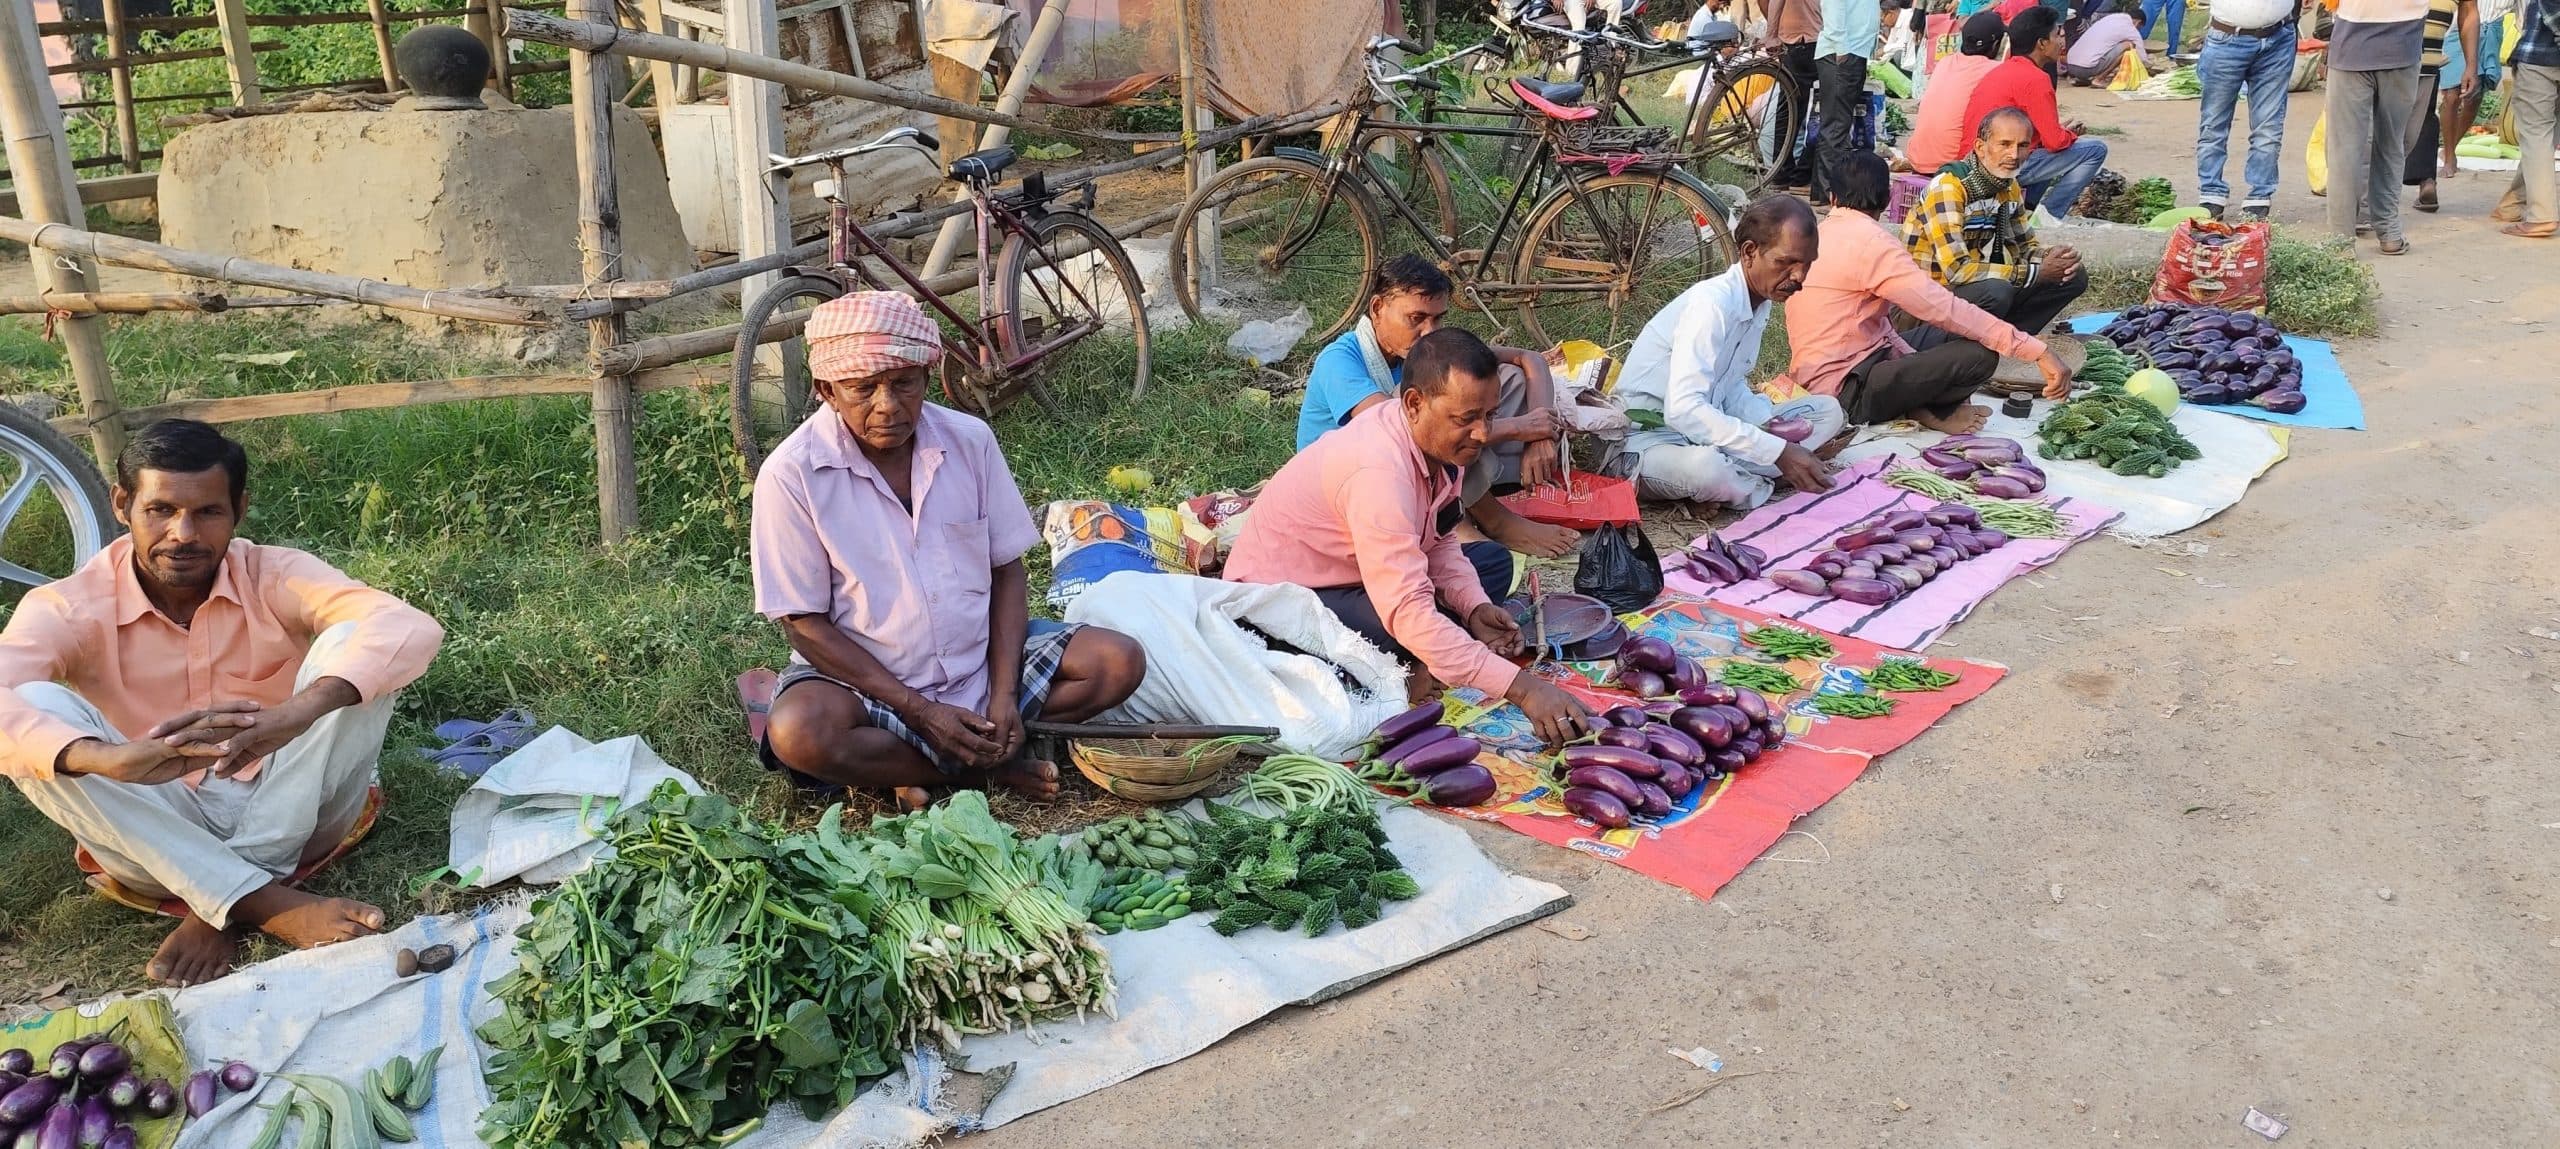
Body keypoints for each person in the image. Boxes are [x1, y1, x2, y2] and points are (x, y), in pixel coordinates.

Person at [0, 420, 442, 986]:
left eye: (207, 512)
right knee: (34, 708)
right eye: (160, 510)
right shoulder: (69, 605)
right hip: (152, 825)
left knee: (351, 651)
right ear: (121, 504)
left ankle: (221, 900)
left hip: (296, 802)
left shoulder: (273, 572)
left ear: (238, 511)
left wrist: (295, 713)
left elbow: (409, 627)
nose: (182, 534)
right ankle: (262, 902)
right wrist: (107, 759)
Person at [753, 292, 1146, 809]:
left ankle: (942, 757)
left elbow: (1007, 572)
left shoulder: (969, 440)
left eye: (904, 383)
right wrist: (920, 711)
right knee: (798, 732)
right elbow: (803, 623)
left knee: (1117, 663)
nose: (887, 405)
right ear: (827, 390)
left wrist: (1003, 693)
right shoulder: (791, 474)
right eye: (863, 388)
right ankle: (987, 767)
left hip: (977, 663)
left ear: (927, 375)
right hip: (868, 684)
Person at [1224, 328, 1594, 746]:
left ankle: (1431, 651)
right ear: (1415, 403)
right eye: (1465, 419)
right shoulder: (1378, 473)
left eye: (1489, 415)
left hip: (1362, 575)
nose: (1482, 433)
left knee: (1490, 564)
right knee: (1400, 626)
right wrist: (1525, 689)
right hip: (1279, 599)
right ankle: (1406, 662)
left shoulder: (1442, 448)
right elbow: (1406, 607)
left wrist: (1473, 607)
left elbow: (1438, 539)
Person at [1294, 255, 1578, 558]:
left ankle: (1463, 507)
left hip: (1412, 468)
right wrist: (1521, 428)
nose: (1429, 331)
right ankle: (1490, 521)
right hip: (1347, 484)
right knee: (1431, 416)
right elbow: (1402, 432)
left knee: (1501, 379)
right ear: (1377, 309)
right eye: (1416, 319)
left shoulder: (1424, 351)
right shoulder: (1339, 360)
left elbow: (1529, 358)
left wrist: (1540, 435)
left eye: (1438, 318)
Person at [1783, 152, 2071, 432]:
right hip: (1843, 391)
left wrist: (1912, 359)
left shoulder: (1819, 234)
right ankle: (1923, 408)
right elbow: (1946, 309)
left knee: (1956, 336)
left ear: (1832, 197)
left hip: (1838, 367)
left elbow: (1883, 329)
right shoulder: (1874, 244)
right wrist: (2036, 351)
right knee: (1980, 355)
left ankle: (1920, 402)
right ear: (1887, 198)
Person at [1609, 196, 1848, 508]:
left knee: (1827, 411)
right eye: (1786, 263)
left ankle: (1749, 478)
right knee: (1706, 469)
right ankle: (1762, 482)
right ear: (1750, 252)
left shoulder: (1758, 303)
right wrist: (1776, 451)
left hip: (1708, 429)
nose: (1799, 277)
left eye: (1806, 265)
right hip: (1649, 440)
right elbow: (1682, 410)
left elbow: (1730, 384)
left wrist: (1764, 424)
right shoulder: (1712, 306)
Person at [1904, 108, 2093, 336]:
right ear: (1981, 148)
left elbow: (2024, 248)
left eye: (2022, 146)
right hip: (1923, 300)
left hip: (1961, 290)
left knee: (2072, 275)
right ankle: (1962, 345)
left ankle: (2012, 339)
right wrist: (2037, 273)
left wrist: (2053, 257)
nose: (2014, 155)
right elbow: (1957, 270)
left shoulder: (2007, 185)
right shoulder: (1948, 188)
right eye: (2004, 144)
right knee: (1996, 290)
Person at [1964, 7, 2113, 214]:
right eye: (2056, 35)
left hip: (1973, 160)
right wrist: (2068, 135)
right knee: (2095, 149)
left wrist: (2060, 134)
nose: (2061, 42)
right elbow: (2055, 142)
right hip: (1994, 165)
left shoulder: (2000, 71)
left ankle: (2029, 207)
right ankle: (2050, 215)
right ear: (2042, 44)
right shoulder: (2036, 79)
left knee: (2044, 149)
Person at [2325, 0, 2433, 252]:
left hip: (2351, 48)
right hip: (2403, 47)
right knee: (2390, 143)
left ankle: (2340, 243)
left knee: (2345, 151)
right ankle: (2389, 233)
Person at [2193, 0, 2305, 220]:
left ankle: (2260, 194)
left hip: (2279, 37)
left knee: (2269, 125)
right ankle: (2211, 192)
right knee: (2214, 123)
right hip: (2227, 39)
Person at [1910, 11, 2012, 174]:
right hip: (1953, 167)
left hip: (1918, 159)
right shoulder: (1995, 70)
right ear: (1995, 45)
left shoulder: (1945, 62)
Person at [2404, 0, 2482, 211]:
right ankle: (2427, 181)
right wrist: (2471, 66)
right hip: (2429, 48)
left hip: (2385, 47)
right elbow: (2470, 11)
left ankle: (2366, 202)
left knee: (2376, 119)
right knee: (2424, 115)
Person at [2496, 0, 2559, 237]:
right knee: (2546, 137)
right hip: (2543, 58)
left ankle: (2541, 217)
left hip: (2540, 58)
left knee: (2536, 134)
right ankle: (2512, 203)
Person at [1814, 0, 1885, 198]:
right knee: (1836, 127)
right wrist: (1842, 48)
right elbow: (1833, 7)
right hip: (1843, 53)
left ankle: (1823, 192)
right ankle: (1831, 193)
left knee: (1837, 126)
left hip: (1853, 51)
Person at [2436, 0, 2508, 181]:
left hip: (2492, 31)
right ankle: (2450, 157)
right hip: (2458, 28)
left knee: (2474, 96)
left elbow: (2523, 12)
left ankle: (2450, 148)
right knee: (2452, 95)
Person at [1764, 0, 1827, 191]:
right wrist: (1771, 34)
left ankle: (1783, 172)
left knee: (1790, 110)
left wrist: (1773, 34)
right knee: (1815, 112)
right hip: (1806, 40)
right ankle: (1799, 174)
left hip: (1796, 40)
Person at [2064, 0, 2163, 83]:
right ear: (2138, 22)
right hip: (2084, 68)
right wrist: (2150, 68)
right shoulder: (2130, 28)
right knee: (2129, 45)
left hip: (2071, 65)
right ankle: (2099, 79)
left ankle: (2078, 77)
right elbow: (2142, 56)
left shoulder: (2110, 18)